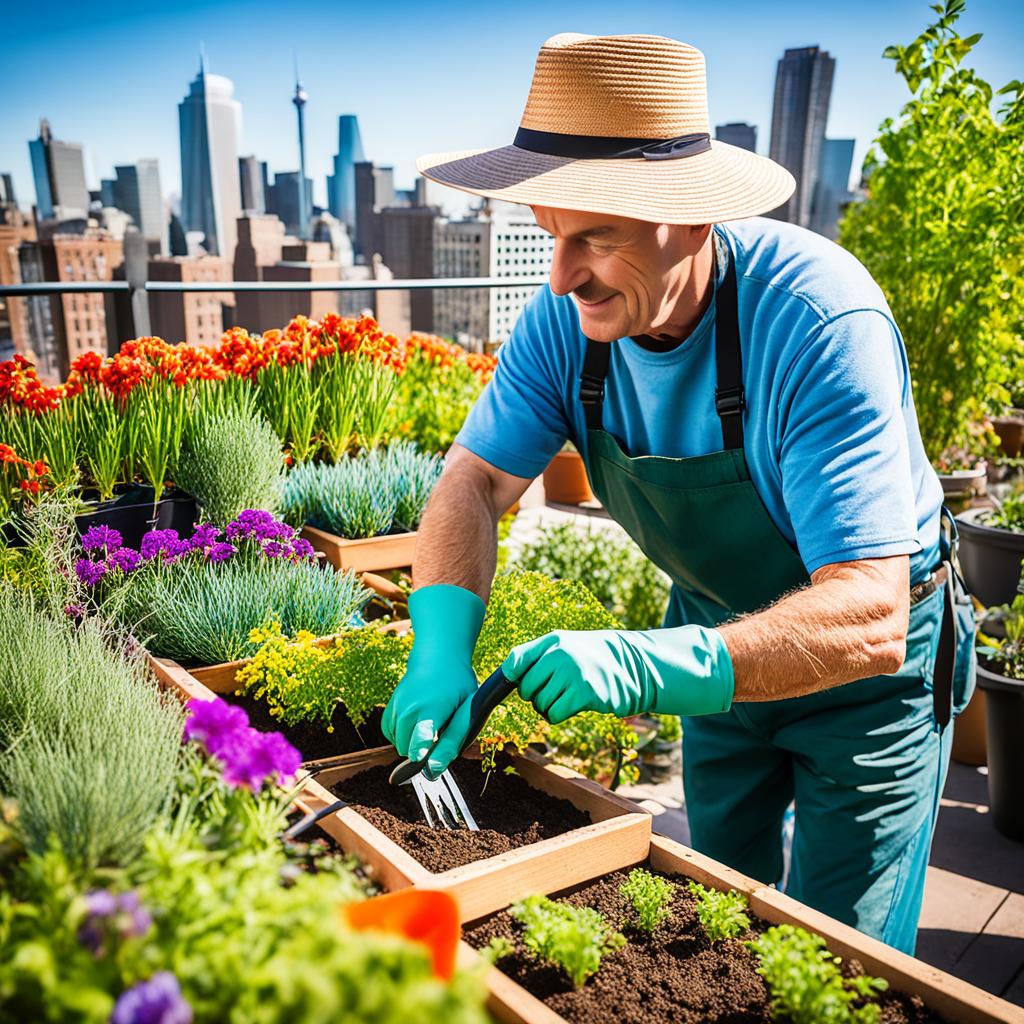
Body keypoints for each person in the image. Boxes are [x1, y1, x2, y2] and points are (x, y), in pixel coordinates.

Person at [382, 32, 976, 953]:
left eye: (595, 240)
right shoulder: (564, 322)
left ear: (693, 222)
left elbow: (869, 612)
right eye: (549, 233)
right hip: (713, 643)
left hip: (869, 683)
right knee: (711, 922)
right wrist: (440, 649)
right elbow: (473, 480)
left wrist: (648, 665)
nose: (560, 275)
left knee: (835, 960)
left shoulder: (819, 323)